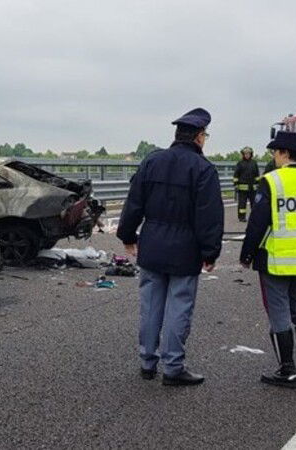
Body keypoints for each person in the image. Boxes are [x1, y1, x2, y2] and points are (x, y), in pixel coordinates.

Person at [117, 108, 224, 386]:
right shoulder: (204, 170)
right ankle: (173, 367)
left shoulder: (152, 162)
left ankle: (147, 363)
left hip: (152, 245)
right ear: (199, 137)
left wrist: (128, 235)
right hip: (185, 250)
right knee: (179, 306)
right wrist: (210, 252)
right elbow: (209, 216)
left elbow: (134, 203)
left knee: (151, 305)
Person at [239, 131, 296, 388]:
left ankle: (287, 369)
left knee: (279, 312)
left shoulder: (273, 181)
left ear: (285, 154)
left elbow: (257, 223)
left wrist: (247, 254)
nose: (274, 157)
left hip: (277, 258)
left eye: (276, 152)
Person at [233, 147, 260, 222]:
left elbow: (257, 175)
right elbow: (236, 175)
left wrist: (258, 184)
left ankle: (254, 217)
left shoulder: (254, 163)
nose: (247, 155)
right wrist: (236, 185)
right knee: (242, 205)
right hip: (242, 189)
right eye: (245, 154)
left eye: (248, 153)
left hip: (253, 189)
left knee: (254, 205)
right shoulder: (240, 163)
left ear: (251, 154)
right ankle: (242, 217)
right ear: (243, 154)